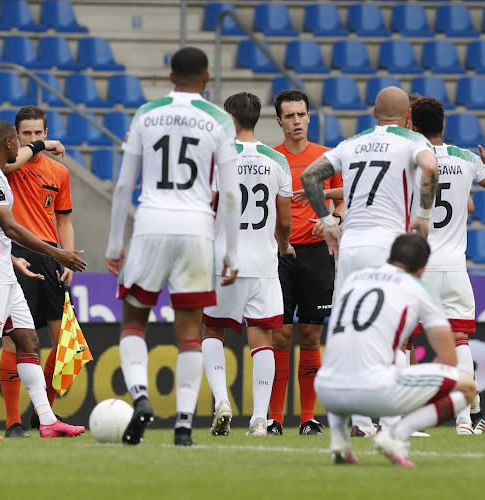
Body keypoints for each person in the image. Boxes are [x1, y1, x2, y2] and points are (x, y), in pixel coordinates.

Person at [105, 46, 241, 447]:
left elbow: (123, 185)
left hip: (150, 226)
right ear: (207, 77)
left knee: (133, 323)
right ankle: (183, 426)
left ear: (170, 77)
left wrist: (115, 243)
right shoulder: (218, 119)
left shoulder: (146, 113)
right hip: (197, 231)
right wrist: (230, 250)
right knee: (189, 333)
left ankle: (142, 398)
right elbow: (230, 195)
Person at [301, 86, 438, 436]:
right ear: (408, 116)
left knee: (351, 330)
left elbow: (309, 176)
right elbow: (430, 166)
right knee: (391, 332)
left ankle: (360, 423)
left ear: (374, 113)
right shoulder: (410, 140)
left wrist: (329, 222)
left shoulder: (352, 143)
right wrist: (422, 214)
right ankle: (392, 421)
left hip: (350, 248)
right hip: (387, 246)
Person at [0, 120, 86, 439]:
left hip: (2, 267)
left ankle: (47, 420)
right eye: (18, 139)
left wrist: (12, 257)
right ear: (8, 143)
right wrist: (58, 254)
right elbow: (11, 227)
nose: (22, 146)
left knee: (28, 341)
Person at [315, 234, 477, 467]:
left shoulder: (354, 278)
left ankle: (339, 439)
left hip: (326, 390)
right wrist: (426, 398)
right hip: (374, 392)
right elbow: (449, 359)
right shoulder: (419, 288)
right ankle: (395, 436)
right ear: (422, 270)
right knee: (467, 388)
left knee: (344, 358)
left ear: (389, 257)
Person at [409, 96, 485, 435]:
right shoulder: (465, 158)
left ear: (413, 123)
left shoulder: (410, 159)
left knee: (403, 341)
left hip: (417, 264)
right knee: (460, 341)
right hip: (455, 267)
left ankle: (402, 418)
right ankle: (466, 421)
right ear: (443, 124)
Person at [201, 92, 295, 437]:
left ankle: (222, 401)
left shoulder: (218, 158)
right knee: (263, 338)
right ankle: (259, 420)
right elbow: (284, 221)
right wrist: (283, 246)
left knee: (212, 330)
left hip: (223, 260)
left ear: (231, 119)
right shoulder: (276, 160)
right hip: (263, 262)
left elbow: (207, 206)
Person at [0, 106, 76, 438]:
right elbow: (12, 161)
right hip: (17, 254)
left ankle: (43, 412)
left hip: (49, 255)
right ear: (15, 137)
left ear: (45, 131)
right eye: (25, 134)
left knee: (67, 346)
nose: (32, 138)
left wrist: (66, 258)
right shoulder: (6, 168)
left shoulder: (59, 172)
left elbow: (64, 220)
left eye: (38, 133)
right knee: (16, 343)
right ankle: (13, 422)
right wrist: (45, 145)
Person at [268, 90, 345, 436]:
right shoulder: (272, 159)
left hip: (317, 253)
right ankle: (274, 418)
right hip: (281, 253)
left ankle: (308, 417)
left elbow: (343, 201)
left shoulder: (328, 158)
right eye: (290, 116)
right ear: (279, 121)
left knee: (311, 335)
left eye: (301, 114)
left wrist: (334, 221)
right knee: (281, 336)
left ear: (309, 117)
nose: (296, 121)